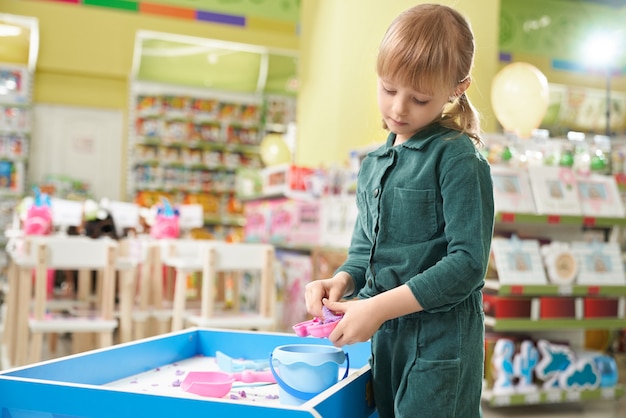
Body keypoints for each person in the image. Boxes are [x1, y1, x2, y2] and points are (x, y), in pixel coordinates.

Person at [304, 4, 494, 417]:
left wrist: (376, 307)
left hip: (440, 345)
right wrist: (339, 282)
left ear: (457, 88)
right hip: (387, 340)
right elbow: (363, 253)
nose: (398, 109)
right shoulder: (374, 164)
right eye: (389, 89)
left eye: (419, 98)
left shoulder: (458, 158)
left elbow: (467, 265)